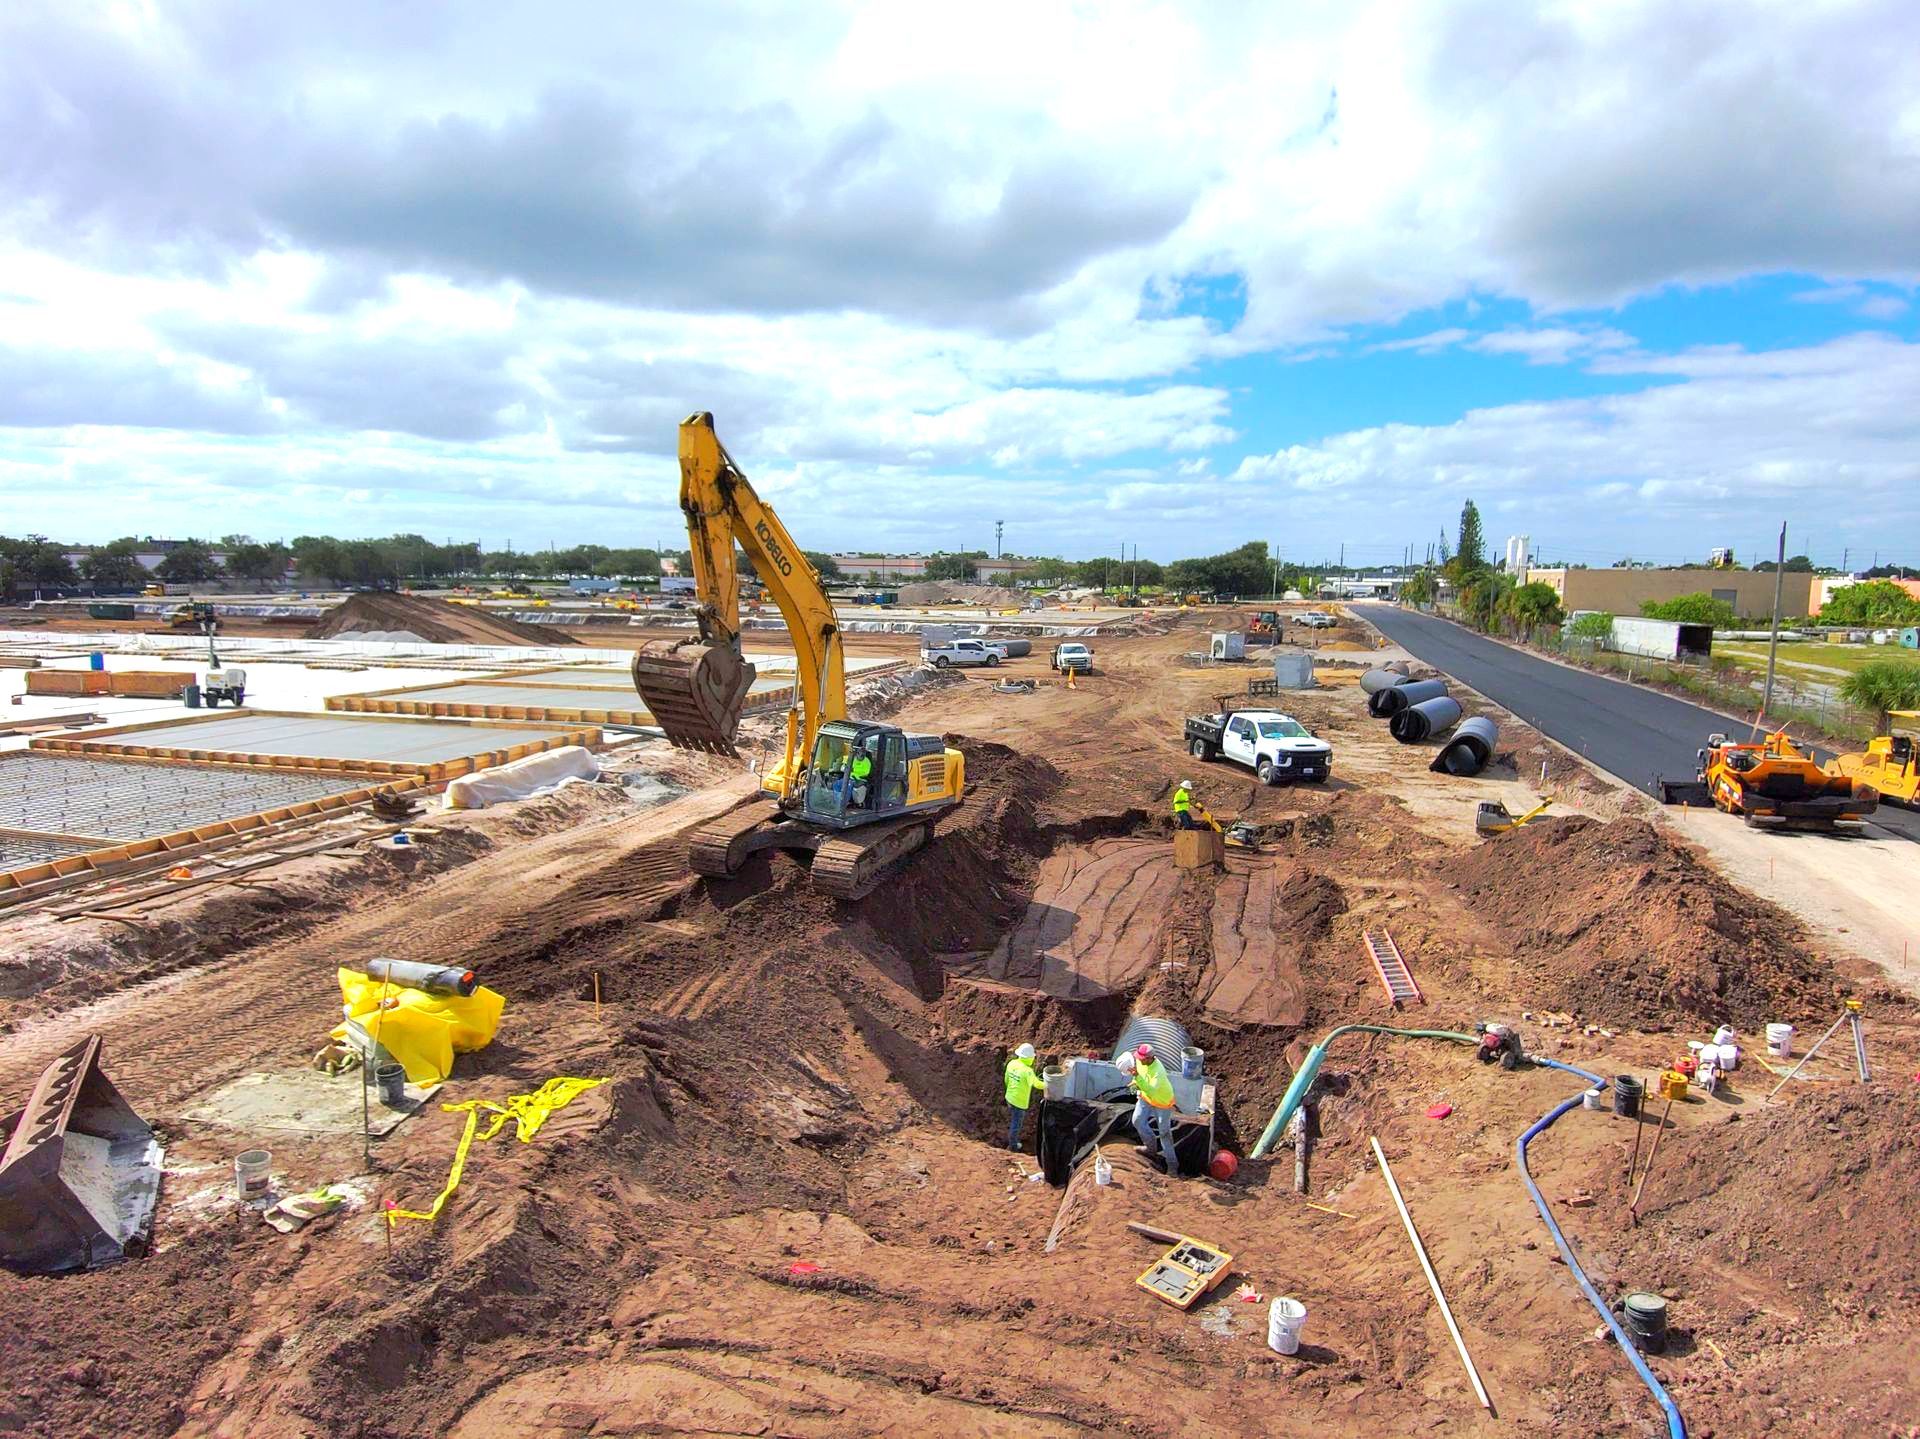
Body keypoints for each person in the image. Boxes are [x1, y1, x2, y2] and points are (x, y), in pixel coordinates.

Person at [1126, 1043, 1181, 1172]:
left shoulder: (1158, 1071)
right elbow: (1141, 1079)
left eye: (1141, 1058)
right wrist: (1134, 1084)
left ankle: (1173, 1166)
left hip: (1162, 1102)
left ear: (1150, 1058)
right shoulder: (1140, 1062)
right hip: (1146, 1098)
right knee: (1137, 1121)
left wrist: (1137, 1078)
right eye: (1138, 1057)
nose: (1138, 1059)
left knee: (1164, 1133)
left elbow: (1151, 1090)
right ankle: (1150, 1149)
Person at [1003, 1042, 1041, 1151]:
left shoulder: (1012, 1063)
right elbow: (1037, 1084)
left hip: (1009, 1097)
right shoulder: (1027, 1071)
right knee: (1016, 1124)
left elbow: (1006, 1079)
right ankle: (1013, 1146)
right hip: (1019, 1102)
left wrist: (1009, 1091)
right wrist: (1050, 1083)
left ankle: (1011, 1136)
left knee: (1013, 1118)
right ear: (1029, 1058)